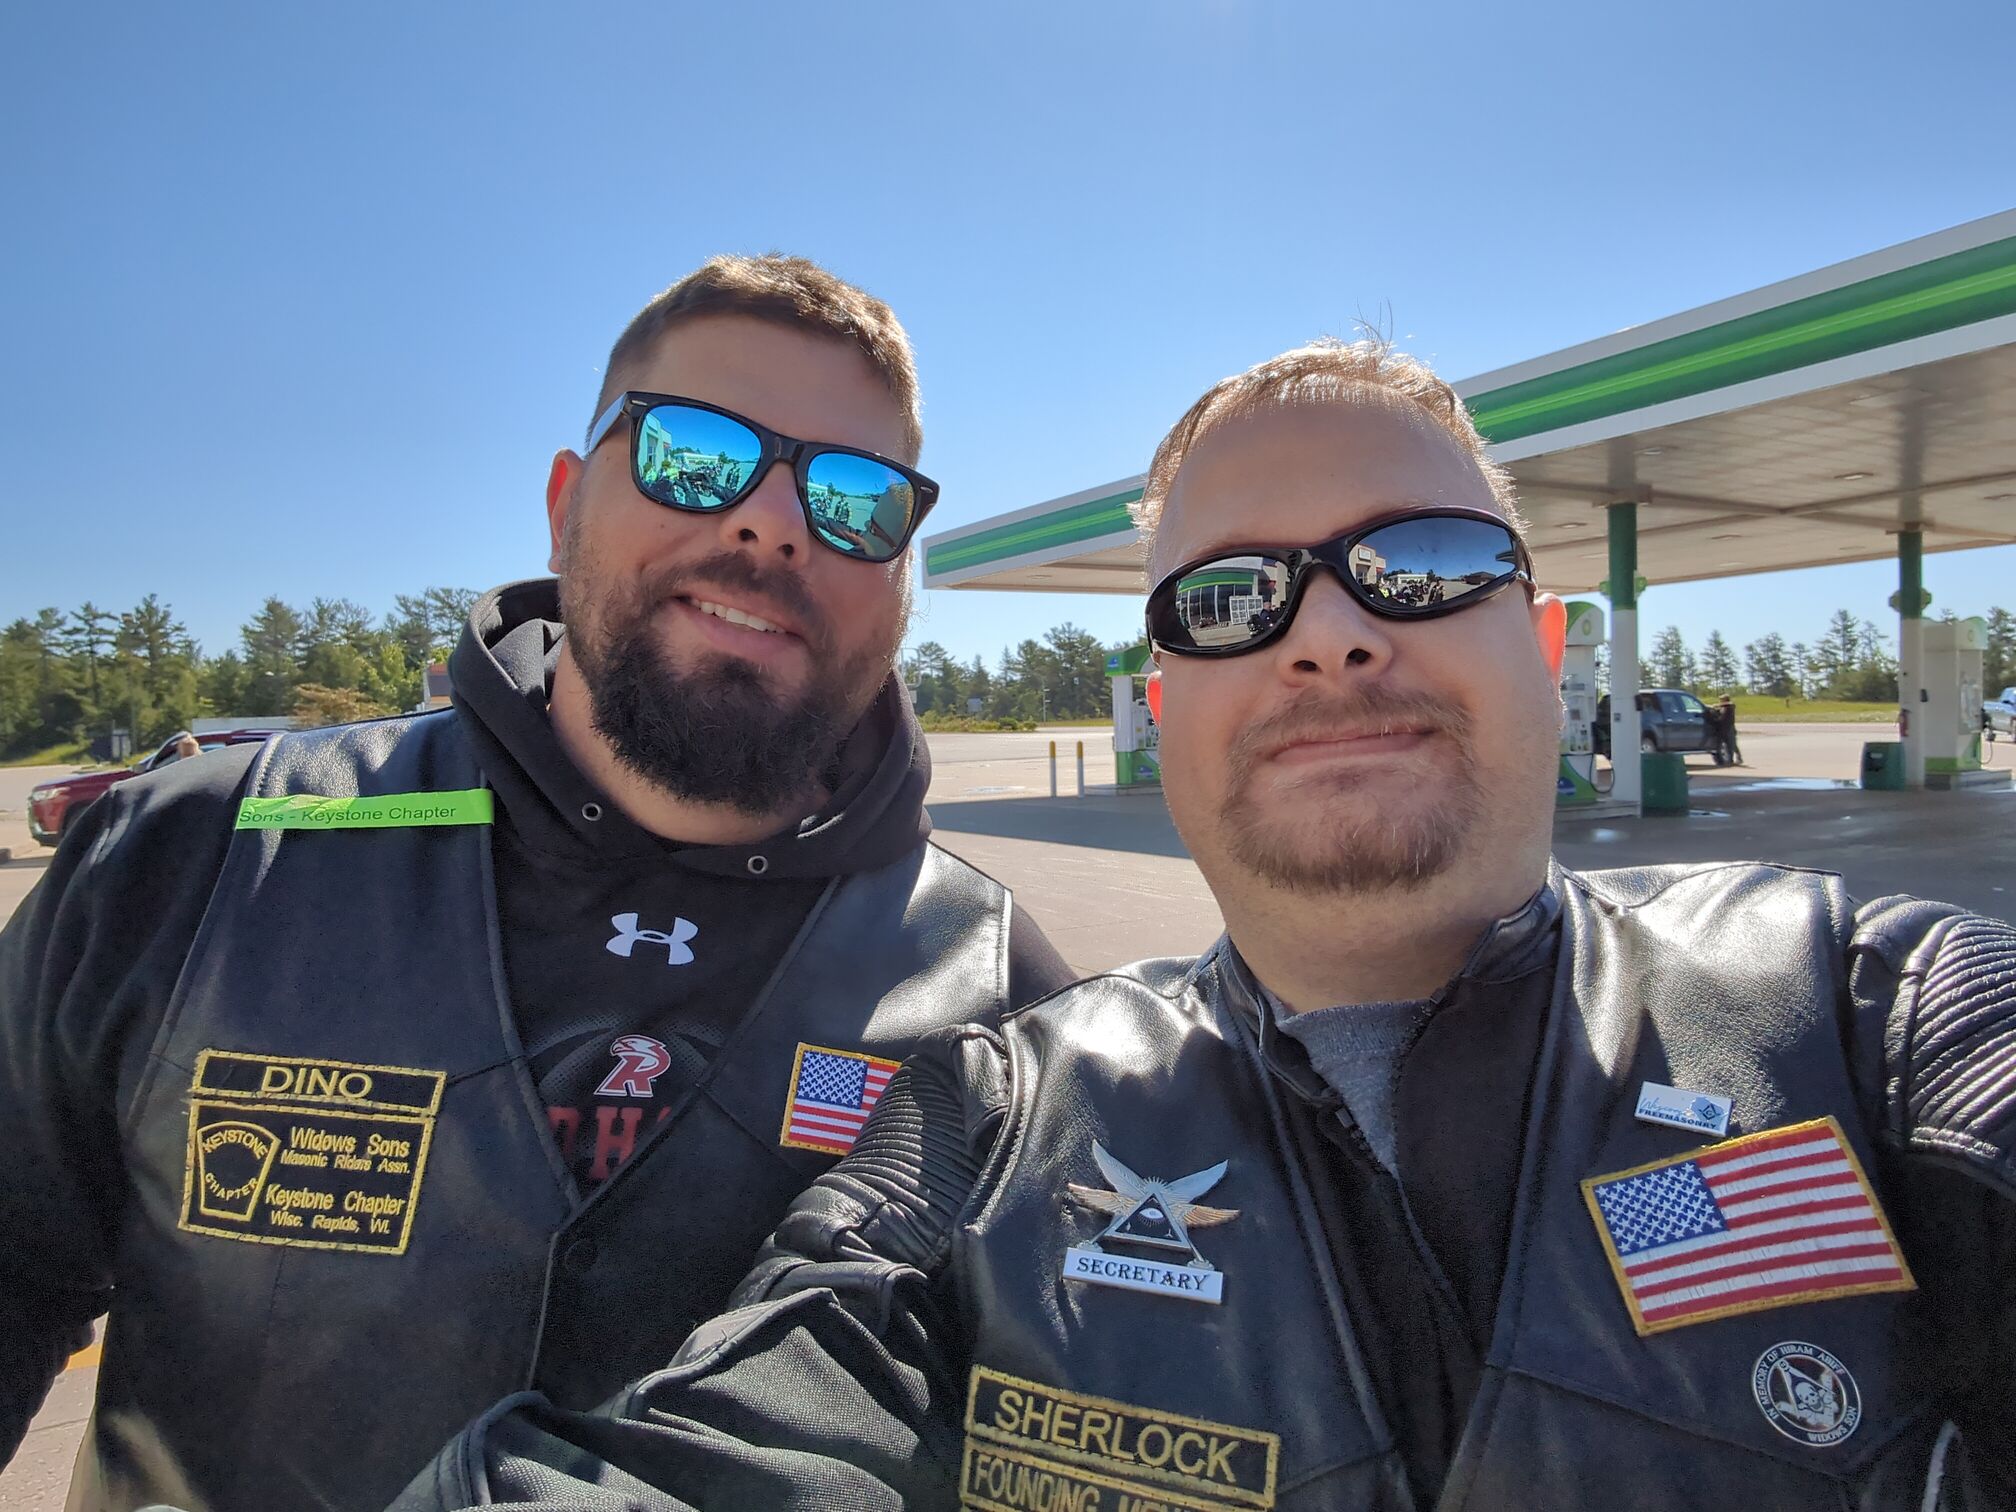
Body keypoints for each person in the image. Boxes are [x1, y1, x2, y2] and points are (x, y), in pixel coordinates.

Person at [397, 339, 2016, 1511]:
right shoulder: (991, 1122)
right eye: (1233, 597)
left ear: (1543, 645)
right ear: (1167, 705)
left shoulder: (1876, 1012)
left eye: (1422, 564)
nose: (1331, 636)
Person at [0, 254, 1073, 1512]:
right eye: (695, 453)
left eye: (855, 497)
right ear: (566, 505)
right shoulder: (195, 858)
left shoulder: (1003, 1000)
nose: (775, 522)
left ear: (901, 578)